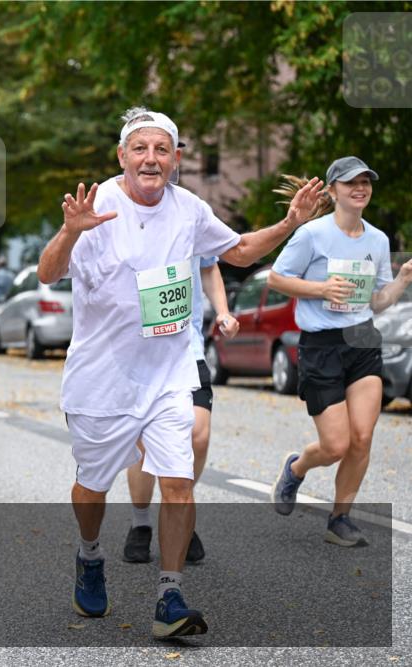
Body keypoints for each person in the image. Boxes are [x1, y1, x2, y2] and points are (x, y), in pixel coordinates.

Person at [36, 106, 323, 639]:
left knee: (178, 481)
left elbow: (235, 250)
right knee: (91, 488)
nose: (151, 158)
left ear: (175, 159)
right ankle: (90, 554)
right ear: (122, 156)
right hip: (102, 378)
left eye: (161, 149)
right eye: (140, 149)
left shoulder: (189, 208)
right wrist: (71, 232)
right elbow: (49, 272)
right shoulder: (97, 205)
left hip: (170, 372)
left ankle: (169, 593)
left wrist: (289, 224)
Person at [269, 157, 412, 546]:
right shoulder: (312, 234)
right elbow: (277, 278)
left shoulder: (378, 240)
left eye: (366, 182)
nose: (360, 188)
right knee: (336, 445)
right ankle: (296, 469)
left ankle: (340, 519)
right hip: (321, 345)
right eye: (351, 183)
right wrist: (321, 290)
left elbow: (378, 302)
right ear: (333, 192)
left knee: (362, 438)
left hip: (362, 340)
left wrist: (401, 280)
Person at [123, 257, 240, 564]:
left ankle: (179, 507)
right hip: (142, 353)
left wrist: (223, 312)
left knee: (198, 436)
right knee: (145, 445)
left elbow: (210, 265)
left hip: (188, 351)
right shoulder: (128, 216)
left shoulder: (193, 214)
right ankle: (141, 522)